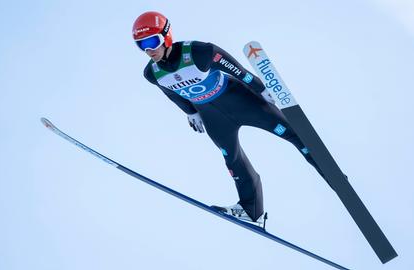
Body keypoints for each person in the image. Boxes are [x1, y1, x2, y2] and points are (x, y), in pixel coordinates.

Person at [132, 11, 328, 226]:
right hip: (213, 118)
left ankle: (330, 172)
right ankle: (251, 210)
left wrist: (261, 90)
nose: (149, 50)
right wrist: (191, 112)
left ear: (166, 35)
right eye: (141, 45)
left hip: (242, 101)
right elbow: (171, 94)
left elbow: (240, 72)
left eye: (152, 41)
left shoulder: (200, 51)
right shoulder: (152, 73)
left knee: (292, 132)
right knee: (232, 160)